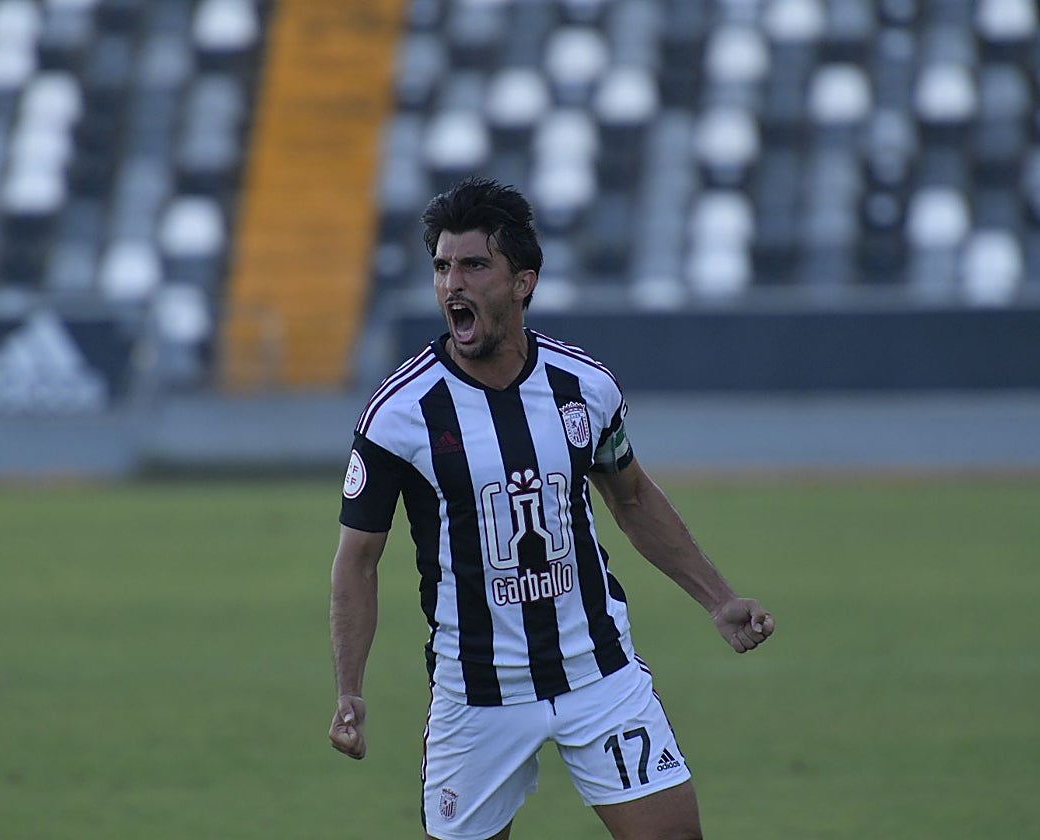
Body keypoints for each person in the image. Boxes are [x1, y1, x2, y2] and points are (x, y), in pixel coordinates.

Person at [329, 177, 775, 840]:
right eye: (442, 267)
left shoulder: (583, 388)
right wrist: (350, 689)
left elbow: (632, 498)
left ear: (522, 282)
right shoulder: (400, 414)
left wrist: (717, 598)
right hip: (476, 691)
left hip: (599, 672)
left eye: (475, 266)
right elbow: (357, 560)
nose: (454, 283)